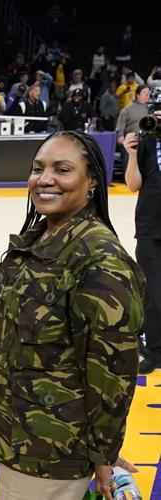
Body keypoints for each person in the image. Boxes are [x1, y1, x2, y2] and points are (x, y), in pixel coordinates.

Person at [0, 131, 144, 500]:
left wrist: (104, 453)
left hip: (52, 454)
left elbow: (113, 371)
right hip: (20, 441)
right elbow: (6, 311)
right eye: (38, 168)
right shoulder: (39, 240)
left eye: (62, 169)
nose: (45, 179)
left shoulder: (99, 260)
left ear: (92, 182)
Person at [123, 98, 161, 374]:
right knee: (153, 293)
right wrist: (132, 153)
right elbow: (133, 184)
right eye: (156, 115)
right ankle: (155, 351)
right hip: (150, 227)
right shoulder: (146, 143)